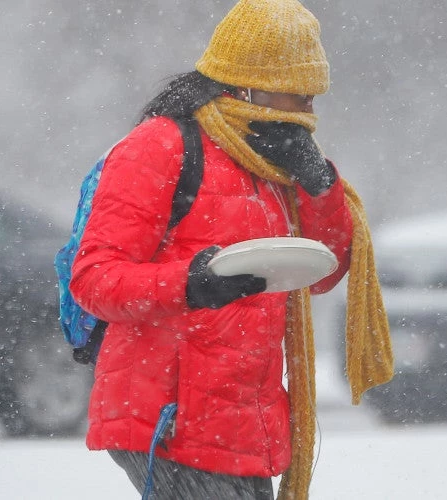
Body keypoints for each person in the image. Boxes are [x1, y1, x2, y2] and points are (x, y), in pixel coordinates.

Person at [68, 1, 394, 498]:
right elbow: (94, 279)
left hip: (242, 423)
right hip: (169, 418)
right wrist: (193, 284)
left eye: (313, 97)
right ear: (246, 86)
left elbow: (322, 274)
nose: (309, 111)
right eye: (298, 95)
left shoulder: (273, 165)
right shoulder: (159, 146)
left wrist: (320, 185)